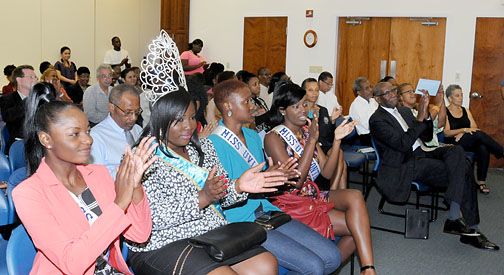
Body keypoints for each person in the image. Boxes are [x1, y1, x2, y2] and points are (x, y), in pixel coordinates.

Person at [127, 90, 285, 275]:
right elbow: (152, 219)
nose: (189, 126)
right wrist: (202, 197)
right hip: (162, 242)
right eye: (179, 120)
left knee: (266, 265)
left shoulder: (204, 148)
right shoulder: (143, 156)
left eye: (192, 118)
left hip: (210, 233)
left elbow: (222, 197)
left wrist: (238, 186)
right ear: (161, 119)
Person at [13, 82, 156, 274]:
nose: (88, 140)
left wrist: (135, 185)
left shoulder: (98, 174)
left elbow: (139, 234)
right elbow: (71, 262)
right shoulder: (28, 193)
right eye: (75, 134)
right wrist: (120, 203)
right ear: (46, 139)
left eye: (88, 131)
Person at [209, 79, 344, 274]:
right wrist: (259, 180)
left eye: (251, 100)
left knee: (333, 257)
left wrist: (278, 177)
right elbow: (220, 195)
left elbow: (264, 179)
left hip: (268, 210)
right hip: (242, 221)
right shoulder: (212, 144)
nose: (253, 106)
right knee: (314, 266)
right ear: (228, 106)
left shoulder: (253, 136)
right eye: (246, 102)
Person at [369, 81, 499, 250]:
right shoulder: (377, 120)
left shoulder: (404, 111)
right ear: (378, 99)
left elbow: (427, 134)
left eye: (393, 90)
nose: (392, 94)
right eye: (387, 93)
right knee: (465, 169)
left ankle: (456, 218)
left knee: (457, 152)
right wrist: (421, 118)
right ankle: (469, 228)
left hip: (424, 151)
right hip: (405, 162)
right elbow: (403, 144)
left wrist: (426, 116)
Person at [264, 83, 376, 274]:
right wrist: (312, 142)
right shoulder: (273, 138)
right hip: (291, 203)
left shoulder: (307, 132)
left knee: (355, 196)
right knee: (356, 230)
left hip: (311, 195)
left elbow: (326, 172)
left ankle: (367, 269)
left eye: (304, 105)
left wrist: (337, 139)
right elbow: (296, 182)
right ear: (282, 110)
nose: (303, 111)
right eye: (296, 107)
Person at [444, 84, 504, 193]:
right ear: (449, 98)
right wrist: (464, 130)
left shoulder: (466, 110)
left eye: (461, 95)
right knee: (479, 135)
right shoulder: (445, 112)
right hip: (453, 142)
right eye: (457, 95)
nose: (461, 98)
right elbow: (447, 133)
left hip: (465, 140)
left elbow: (475, 128)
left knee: (483, 147)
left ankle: (481, 182)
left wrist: (463, 132)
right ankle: (501, 151)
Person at [302, 78, 347, 190]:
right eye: (310, 90)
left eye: (317, 90)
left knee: (339, 154)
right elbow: (305, 132)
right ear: (303, 91)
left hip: (324, 145)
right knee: (342, 164)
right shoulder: (301, 110)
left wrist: (332, 121)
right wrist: (312, 118)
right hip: (310, 146)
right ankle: (336, 192)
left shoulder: (323, 110)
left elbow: (329, 136)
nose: (314, 93)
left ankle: (336, 191)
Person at [89, 84, 143, 179]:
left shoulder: (138, 130)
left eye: (137, 112)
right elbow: (96, 178)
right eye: (127, 112)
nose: (134, 118)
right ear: (112, 108)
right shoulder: (96, 137)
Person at [0, 65, 37, 150]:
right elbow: (9, 117)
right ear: (19, 80)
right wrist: (29, 100)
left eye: (35, 77)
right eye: (31, 77)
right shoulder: (6, 99)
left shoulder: (40, 99)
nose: (34, 80)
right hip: (19, 145)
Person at [399, 82, 446, 147]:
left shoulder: (417, 112)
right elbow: (422, 123)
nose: (413, 94)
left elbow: (440, 124)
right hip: (422, 149)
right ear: (400, 97)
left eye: (413, 91)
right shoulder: (401, 113)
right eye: (409, 92)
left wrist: (441, 96)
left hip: (435, 147)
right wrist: (437, 106)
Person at [349, 77, 379, 146]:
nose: (371, 90)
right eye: (367, 88)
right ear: (359, 92)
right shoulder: (356, 105)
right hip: (366, 137)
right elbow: (367, 125)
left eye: (370, 87)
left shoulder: (373, 101)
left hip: (376, 133)